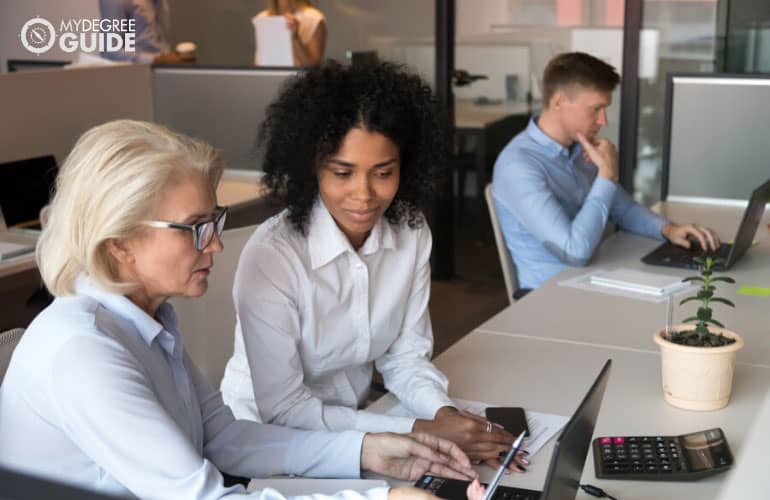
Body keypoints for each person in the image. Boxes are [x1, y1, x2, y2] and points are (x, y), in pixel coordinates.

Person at [0, 119, 480, 500]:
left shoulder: (146, 319)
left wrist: (369, 452)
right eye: (194, 229)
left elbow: (223, 438)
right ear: (121, 242)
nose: (215, 248)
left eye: (214, 222)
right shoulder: (84, 352)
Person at [220, 61, 526, 473]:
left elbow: (405, 357)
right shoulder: (274, 257)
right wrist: (417, 430)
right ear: (311, 167)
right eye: (342, 173)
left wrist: (444, 415)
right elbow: (286, 409)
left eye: (384, 173)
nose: (364, 195)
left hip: (363, 421)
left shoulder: (411, 232)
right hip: (272, 443)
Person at [492, 52, 719, 295]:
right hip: (550, 297)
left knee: (688, 292)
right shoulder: (519, 166)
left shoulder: (580, 149)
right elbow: (574, 252)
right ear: (558, 101)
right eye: (596, 109)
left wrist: (669, 230)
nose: (604, 120)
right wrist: (606, 176)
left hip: (593, 278)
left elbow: (623, 209)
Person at [99, 0, 190, 63]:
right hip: (131, 78)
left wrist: (174, 59)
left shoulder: (160, 3)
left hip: (159, 76)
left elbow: (160, 44)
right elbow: (110, 52)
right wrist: (156, 60)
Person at [253, 0, 326, 66]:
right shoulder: (263, 18)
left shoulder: (313, 18)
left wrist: (295, 38)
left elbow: (314, 69)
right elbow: (258, 65)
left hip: (299, 80)